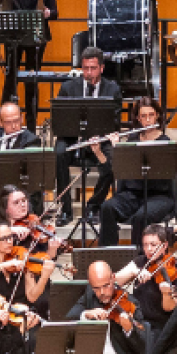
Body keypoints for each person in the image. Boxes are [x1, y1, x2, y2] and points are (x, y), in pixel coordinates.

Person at [53, 45, 122, 224]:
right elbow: (60, 120)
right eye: (85, 68)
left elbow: (114, 122)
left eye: (93, 68)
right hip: (73, 137)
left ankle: (93, 207)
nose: (89, 72)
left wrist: (97, 135)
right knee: (59, 152)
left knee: (113, 160)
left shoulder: (112, 89)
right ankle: (66, 209)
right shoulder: (68, 88)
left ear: (101, 68)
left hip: (100, 139)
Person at [99, 97, 176, 248]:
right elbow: (120, 171)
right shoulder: (132, 139)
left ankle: (138, 259)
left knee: (141, 216)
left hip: (158, 196)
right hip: (133, 194)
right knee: (107, 207)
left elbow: (164, 179)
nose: (148, 120)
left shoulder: (165, 142)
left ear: (157, 116)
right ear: (138, 118)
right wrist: (116, 150)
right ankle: (108, 254)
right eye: (143, 116)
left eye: (151, 115)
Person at [0, 0, 57, 130]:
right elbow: (5, 5)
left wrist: (48, 12)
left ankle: (32, 127)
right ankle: (4, 124)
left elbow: (55, 11)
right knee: (10, 79)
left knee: (32, 80)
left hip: (36, 36)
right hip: (14, 36)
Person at [114, 224, 177, 336]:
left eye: (153, 245)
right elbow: (114, 282)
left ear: (164, 245)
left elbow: (170, 308)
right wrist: (134, 272)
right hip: (140, 320)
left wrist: (166, 293)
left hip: (161, 326)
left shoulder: (173, 267)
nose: (149, 249)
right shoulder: (140, 262)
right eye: (145, 245)